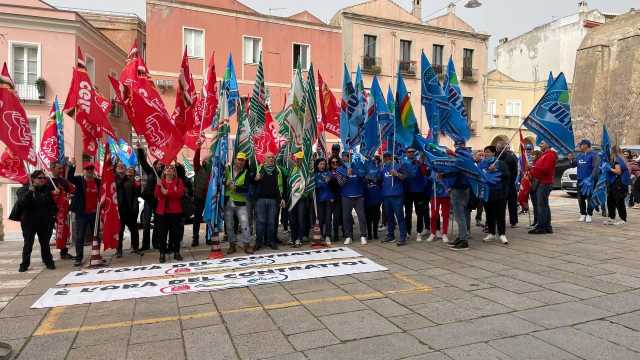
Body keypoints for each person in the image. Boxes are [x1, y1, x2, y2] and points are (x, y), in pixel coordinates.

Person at [14, 170, 57, 272]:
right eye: (40, 178)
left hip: (44, 222)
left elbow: (51, 204)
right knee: (28, 244)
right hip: (29, 222)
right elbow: (22, 203)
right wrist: (30, 192)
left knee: (45, 243)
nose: (43, 180)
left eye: (44, 178)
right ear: (33, 179)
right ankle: (24, 264)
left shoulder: (47, 189)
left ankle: (48, 261)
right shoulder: (23, 190)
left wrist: (53, 215)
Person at [68, 160, 100, 267]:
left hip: (94, 214)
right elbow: (69, 178)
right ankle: (78, 258)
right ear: (84, 171)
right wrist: (72, 166)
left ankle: (96, 254)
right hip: (82, 213)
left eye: (91, 169)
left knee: (95, 235)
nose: (90, 171)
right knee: (80, 236)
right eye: (88, 169)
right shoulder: (79, 180)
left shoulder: (98, 181)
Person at [254, 152, 286, 250]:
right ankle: (259, 242)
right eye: (269, 157)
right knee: (260, 221)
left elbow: (283, 185)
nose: (271, 159)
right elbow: (251, 181)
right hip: (260, 200)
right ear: (264, 158)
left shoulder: (278, 170)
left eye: (273, 157)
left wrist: (282, 198)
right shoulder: (259, 169)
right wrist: (255, 178)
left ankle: (271, 241)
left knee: (272, 222)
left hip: (273, 200)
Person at [224, 152, 254, 254]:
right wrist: (225, 183)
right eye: (239, 159)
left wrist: (236, 188)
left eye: (243, 160)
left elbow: (247, 188)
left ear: (245, 161)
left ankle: (247, 245)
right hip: (228, 201)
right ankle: (232, 245)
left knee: (245, 224)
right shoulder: (228, 169)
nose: (240, 162)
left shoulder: (247, 172)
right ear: (235, 160)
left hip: (241, 202)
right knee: (229, 225)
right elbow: (220, 181)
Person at [155, 164, 185, 262]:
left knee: (176, 234)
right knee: (162, 234)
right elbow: (157, 195)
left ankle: (176, 252)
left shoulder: (178, 182)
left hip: (175, 212)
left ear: (174, 172)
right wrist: (160, 187)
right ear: (164, 172)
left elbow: (179, 194)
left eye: (171, 168)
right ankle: (162, 253)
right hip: (162, 213)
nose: (169, 169)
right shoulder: (160, 182)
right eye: (166, 168)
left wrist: (167, 192)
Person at [337, 152, 368, 245]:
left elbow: (363, 178)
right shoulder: (340, 169)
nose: (345, 158)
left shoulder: (357, 166)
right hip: (346, 196)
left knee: (361, 216)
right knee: (346, 217)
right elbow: (340, 183)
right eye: (344, 157)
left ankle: (363, 235)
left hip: (358, 196)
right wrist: (347, 175)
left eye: (347, 156)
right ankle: (348, 236)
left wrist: (358, 172)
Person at [480, 146, 510, 244]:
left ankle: (502, 234)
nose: (486, 154)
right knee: (489, 214)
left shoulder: (500, 163)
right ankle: (491, 233)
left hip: (499, 193)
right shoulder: (482, 164)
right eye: (485, 152)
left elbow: (507, 175)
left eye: (488, 152)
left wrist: (496, 170)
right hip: (487, 193)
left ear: (493, 153)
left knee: (500, 214)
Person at [137, 147, 163, 251]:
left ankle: (156, 243)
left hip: (158, 201)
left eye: (161, 164)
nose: (159, 165)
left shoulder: (164, 174)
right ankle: (145, 245)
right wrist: (139, 150)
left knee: (158, 223)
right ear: (155, 165)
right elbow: (143, 162)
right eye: (158, 164)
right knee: (146, 223)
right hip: (148, 200)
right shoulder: (151, 172)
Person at [379, 152, 408, 245]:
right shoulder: (383, 168)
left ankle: (403, 237)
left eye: (388, 156)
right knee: (389, 217)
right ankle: (390, 236)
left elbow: (405, 177)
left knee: (399, 216)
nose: (387, 158)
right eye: (385, 157)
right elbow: (379, 180)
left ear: (392, 157)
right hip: (386, 196)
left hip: (397, 196)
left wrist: (397, 174)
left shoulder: (398, 166)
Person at [529, 140, 557, 234]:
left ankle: (541, 227)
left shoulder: (550, 155)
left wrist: (532, 168)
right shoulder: (545, 154)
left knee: (541, 205)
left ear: (548, 144)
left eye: (542, 143)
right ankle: (547, 226)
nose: (539, 145)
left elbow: (546, 170)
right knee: (544, 205)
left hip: (545, 183)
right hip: (542, 182)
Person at [568, 139, 600, 223]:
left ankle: (589, 214)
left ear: (586, 145)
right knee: (580, 198)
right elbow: (573, 164)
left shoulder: (594, 155)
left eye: (581, 145)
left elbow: (596, 168)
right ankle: (583, 213)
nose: (579, 146)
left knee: (590, 198)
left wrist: (591, 178)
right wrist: (571, 159)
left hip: (589, 181)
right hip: (580, 180)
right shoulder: (579, 155)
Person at [50, 161, 75, 260]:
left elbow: (72, 190)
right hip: (49, 211)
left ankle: (63, 252)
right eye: (59, 168)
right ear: (52, 168)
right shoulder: (46, 180)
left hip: (62, 211)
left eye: (62, 168)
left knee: (63, 230)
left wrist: (69, 195)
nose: (61, 170)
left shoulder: (63, 181)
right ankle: (46, 256)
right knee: (46, 234)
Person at [116, 163, 141, 257]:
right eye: (119, 166)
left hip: (129, 210)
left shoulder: (130, 181)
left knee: (134, 230)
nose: (121, 167)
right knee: (120, 231)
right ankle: (119, 250)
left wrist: (135, 208)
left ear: (125, 169)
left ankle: (136, 248)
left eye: (123, 166)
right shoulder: (114, 180)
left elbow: (135, 196)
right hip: (118, 210)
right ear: (116, 169)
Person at [403, 148, 428, 241]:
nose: (411, 153)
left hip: (419, 191)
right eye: (409, 152)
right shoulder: (403, 163)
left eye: (413, 152)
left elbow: (425, 173)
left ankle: (419, 232)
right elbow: (405, 175)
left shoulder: (419, 163)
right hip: (408, 191)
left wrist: (421, 164)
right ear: (406, 153)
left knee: (419, 213)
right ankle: (408, 232)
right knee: (408, 213)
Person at [605, 145, 630, 225]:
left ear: (613, 151)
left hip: (619, 183)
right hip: (617, 183)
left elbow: (618, 171)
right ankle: (611, 217)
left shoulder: (617, 159)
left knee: (619, 201)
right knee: (610, 200)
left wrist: (609, 168)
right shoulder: (622, 159)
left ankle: (623, 219)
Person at [289, 151, 310, 248]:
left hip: (302, 198)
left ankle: (299, 238)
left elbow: (308, 184)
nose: (297, 160)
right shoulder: (293, 169)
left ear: (303, 160)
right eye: (296, 158)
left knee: (301, 219)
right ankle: (293, 238)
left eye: (299, 158)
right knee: (293, 219)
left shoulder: (306, 171)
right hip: (292, 198)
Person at [192, 146, 212, 246]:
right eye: (205, 160)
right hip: (198, 196)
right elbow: (196, 159)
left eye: (208, 160)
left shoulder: (212, 171)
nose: (206, 161)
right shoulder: (198, 168)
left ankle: (208, 238)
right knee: (197, 218)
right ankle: (195, 238)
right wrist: (198, 148)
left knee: (209, 218)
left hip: (208, 197)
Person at [497, 142, 519, 228]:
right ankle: (513, 222)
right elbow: (515, 171)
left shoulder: (496, 158)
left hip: (500, 184)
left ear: (498, 148)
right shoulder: (512, 157)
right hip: (510, 183)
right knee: (512, 204)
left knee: (500, 205)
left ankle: (499, 221)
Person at [315, 158, 335, 245]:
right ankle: (320, 235)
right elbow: (318, 185)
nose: (322, 166)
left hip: (329, 199)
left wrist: (331, 181)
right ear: (317, 165)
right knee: (321, 218)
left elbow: (334, 186)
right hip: (320, 200)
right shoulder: (315, 175)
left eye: (324, 164)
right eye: (321, 164)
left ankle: (328, 235)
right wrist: (325, 181)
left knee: (328, 219)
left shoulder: (329, 173)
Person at [426, 175, 450, 243]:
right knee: (433, 215)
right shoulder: (433, 167)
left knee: (445, 215)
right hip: (435, 195)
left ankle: (444, 233)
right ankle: (433, 233)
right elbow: (429, 178)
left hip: (446, 195)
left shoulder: (447, 167)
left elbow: (451, 178)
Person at [364, 157, 382, 241]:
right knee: (368, 217)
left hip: (376, 197)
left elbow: (380, 180)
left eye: (376, 159)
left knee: (376, 217)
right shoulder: (365, 168)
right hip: (367, 198)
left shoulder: (378, 168)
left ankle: (375, 233)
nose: (374, 161)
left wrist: (375, 179)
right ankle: (370, 234)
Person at [328, 156, 343, 241]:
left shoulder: (341, 172)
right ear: (330, 164)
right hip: (330, 197)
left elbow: (342, 184)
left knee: (337, 217)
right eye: (333, 163)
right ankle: (328, 234)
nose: (335, 164)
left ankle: (336, 234)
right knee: (328, 218)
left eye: (336, 162)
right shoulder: (328, 172)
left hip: (339, 197)